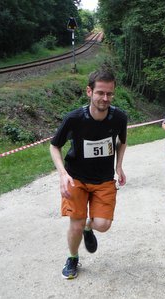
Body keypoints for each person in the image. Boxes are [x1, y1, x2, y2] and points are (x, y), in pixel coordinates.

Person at [49, 68, 128, 279]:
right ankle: (73, 257)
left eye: (109, 93)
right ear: (89, 92)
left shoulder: (119, 117)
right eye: (100, 92)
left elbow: (122, 142)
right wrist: (62, 174)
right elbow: (54, 146)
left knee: (103, 225)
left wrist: (119, 166)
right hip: (76, 178)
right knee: (75, 223)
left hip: (103, 180)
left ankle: (88, 226)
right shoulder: (74, 119)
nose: (105, 98)